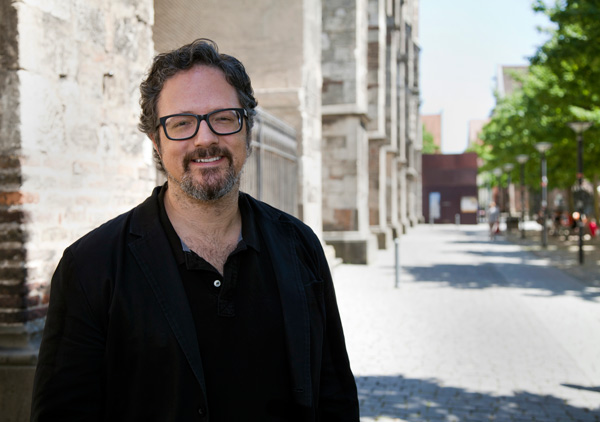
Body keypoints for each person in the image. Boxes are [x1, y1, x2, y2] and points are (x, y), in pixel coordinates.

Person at [31, 39, 359, 421]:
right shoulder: (91, 268)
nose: (205, 138)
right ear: (156, 141)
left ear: (247, 129)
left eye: (223, 117)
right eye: (182, 123)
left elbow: (334, 394)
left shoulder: (300, 247)